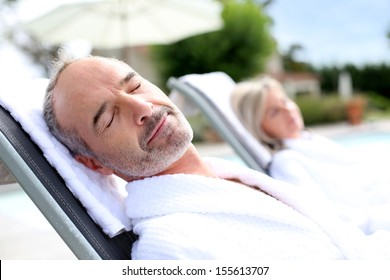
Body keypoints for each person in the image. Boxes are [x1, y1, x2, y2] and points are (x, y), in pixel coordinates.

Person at [43, 55, 390, 260]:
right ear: (94, 163)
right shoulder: (170, 247)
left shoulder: (231, 178)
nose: (142, 107)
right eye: (108, 117)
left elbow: (345, 235)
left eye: (134, 86)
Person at [231, 76, 390, 234]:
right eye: (274, 112)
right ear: (259, 126)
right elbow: (322, 213)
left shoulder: (309, 139)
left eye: (285, 102)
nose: (288, 111)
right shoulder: (285, 162)